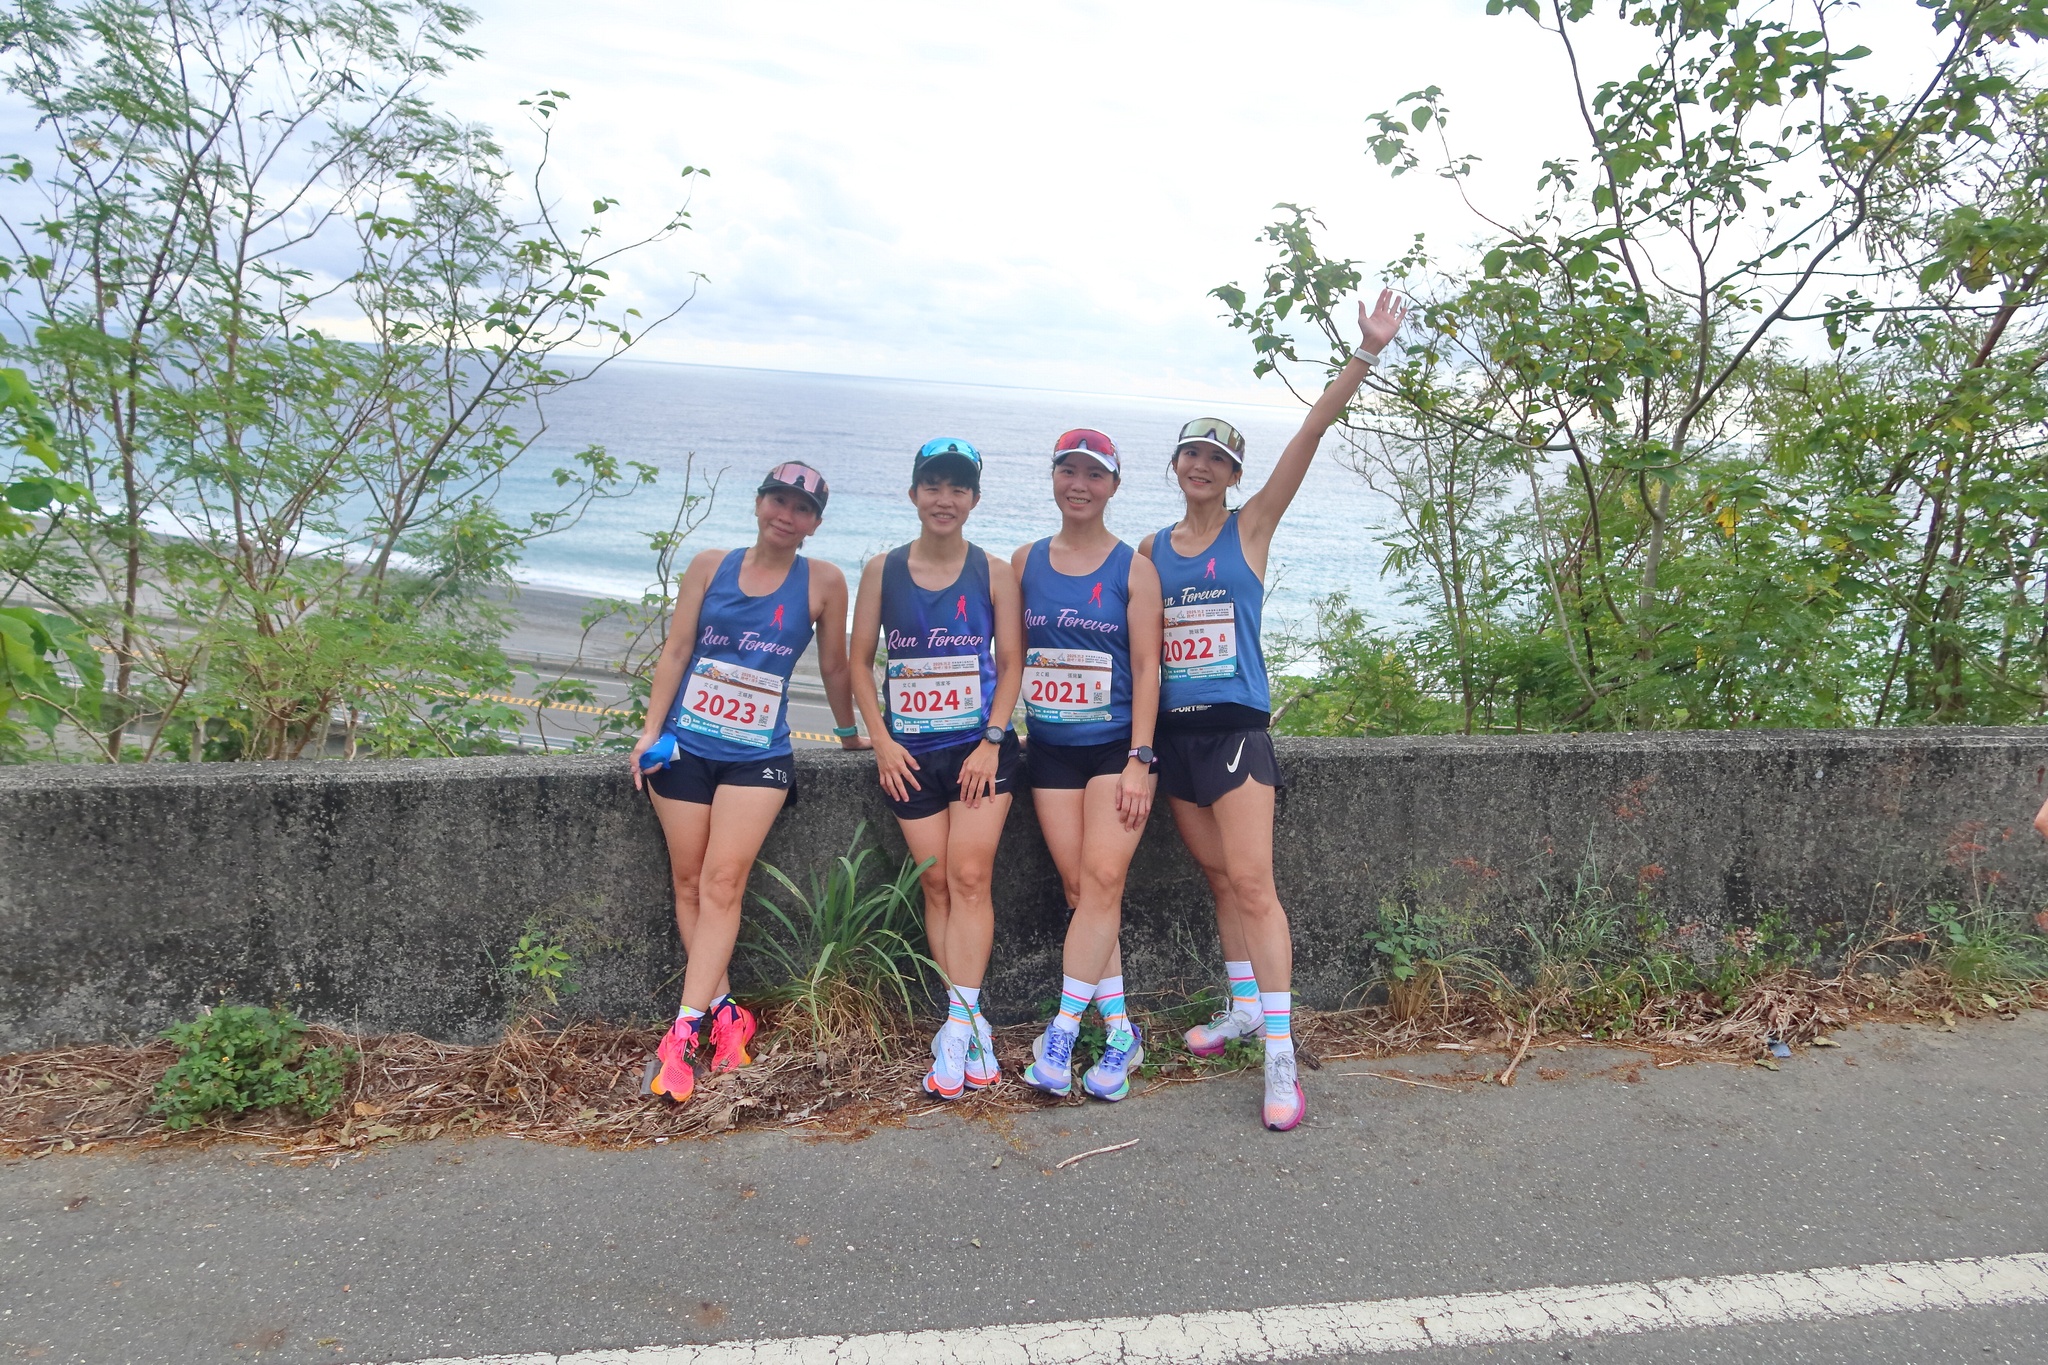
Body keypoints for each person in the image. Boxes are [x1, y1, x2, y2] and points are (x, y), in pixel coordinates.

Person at [1141, 289, 1407, 1132]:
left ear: (1233, 475)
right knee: (1219, 877)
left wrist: (1365, 352)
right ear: (1177, 464)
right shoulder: (1150, 549)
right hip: (1174, 738)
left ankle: (1282, 1052)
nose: (1202, 466)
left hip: (1236, 733)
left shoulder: (1250, 528)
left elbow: (1310, 435)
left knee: (1254, 882)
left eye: (1217, 459)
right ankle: (1244, 1006)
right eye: (1192, 454)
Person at [631, 461, 868, 1105]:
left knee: (722, 882)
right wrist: (650, 731)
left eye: (802, 508)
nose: (786, 515)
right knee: (688, 884)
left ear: (815, 523)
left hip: (757, 757)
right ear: (759, 503)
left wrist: (849, 736)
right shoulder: (709, 565)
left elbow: (835, 666)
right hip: (685, 748)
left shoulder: (824, 582)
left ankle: (682, 1033)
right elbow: (677, 650)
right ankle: (729, 1014)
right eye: (778, 501)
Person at [848, 438, 1025, 1099]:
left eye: (957, 487)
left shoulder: (995, 572)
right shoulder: (882, 570)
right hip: (911, 754)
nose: (944, 499)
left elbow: (1011, 662)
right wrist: (881, 740)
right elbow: (858, 660)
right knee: (938, 883)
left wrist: (993, 740)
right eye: (933, 485)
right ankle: (966, 1019)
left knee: (971, 877)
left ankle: (959, 1025)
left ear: (974, 498)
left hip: (980, 751)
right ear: (914, 493)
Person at [1011, 429, 1164, 1102]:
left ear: (1113, 486)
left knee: (1103, 878)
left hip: (1115, 749)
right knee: (1083, 892)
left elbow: (1148, 667)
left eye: (1094, 474)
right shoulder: (1024, 562)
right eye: (1068, 471)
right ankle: (1122, 1032)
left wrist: (1140, 758)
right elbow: (1010, 656)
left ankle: (1063, 1033)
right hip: (1049, 748)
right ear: (1053, 478)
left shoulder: (1134, 568)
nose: (1079, 484)